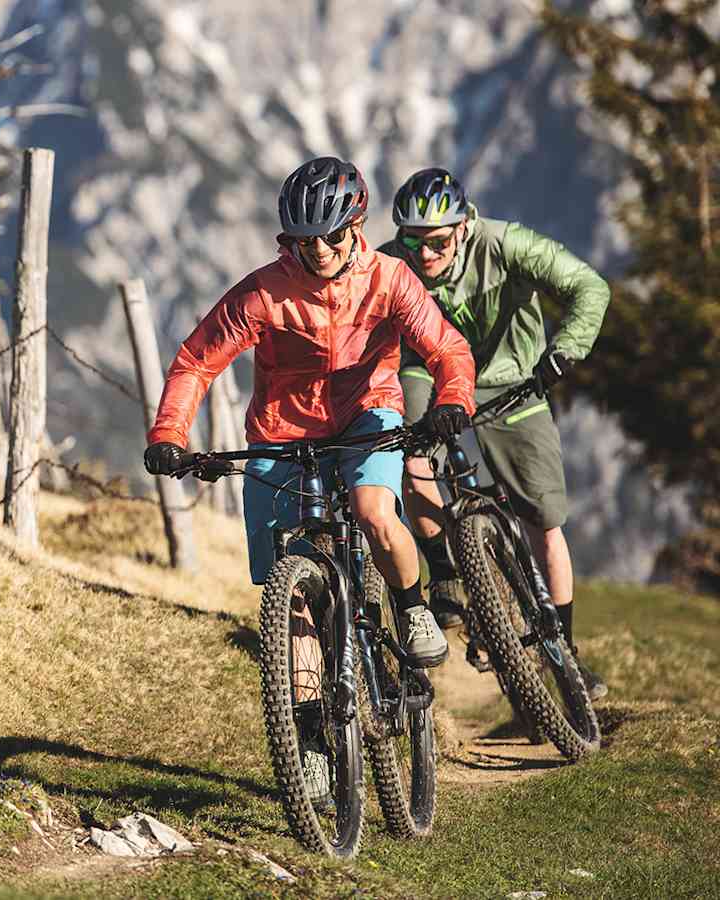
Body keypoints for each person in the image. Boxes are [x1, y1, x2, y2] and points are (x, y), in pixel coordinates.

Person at [142, 156, 476, 803]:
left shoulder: (389, 278)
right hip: (281, 431)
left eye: (330, 236)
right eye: (303, 240)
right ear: (287, 239)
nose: (318, 250)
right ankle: (310, 736)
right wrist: (168, 435)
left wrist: (452, 398)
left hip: (367, 415)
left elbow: (445, 349)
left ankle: (409, 609)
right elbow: (194, 363)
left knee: (376, 509)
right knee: (287, 589)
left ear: (356, 226)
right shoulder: (263, 292)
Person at [380, 167, 610, 700]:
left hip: (512, 381)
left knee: (543, 520)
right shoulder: (391, 262)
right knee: (411, 459)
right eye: (412, 240)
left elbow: (588, 286)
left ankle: (565, 656)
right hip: (429, 373)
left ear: (464, 227)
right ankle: (448, 583)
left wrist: (564, 350)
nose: (424, 253)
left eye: (436, 241)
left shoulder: (507, 243)